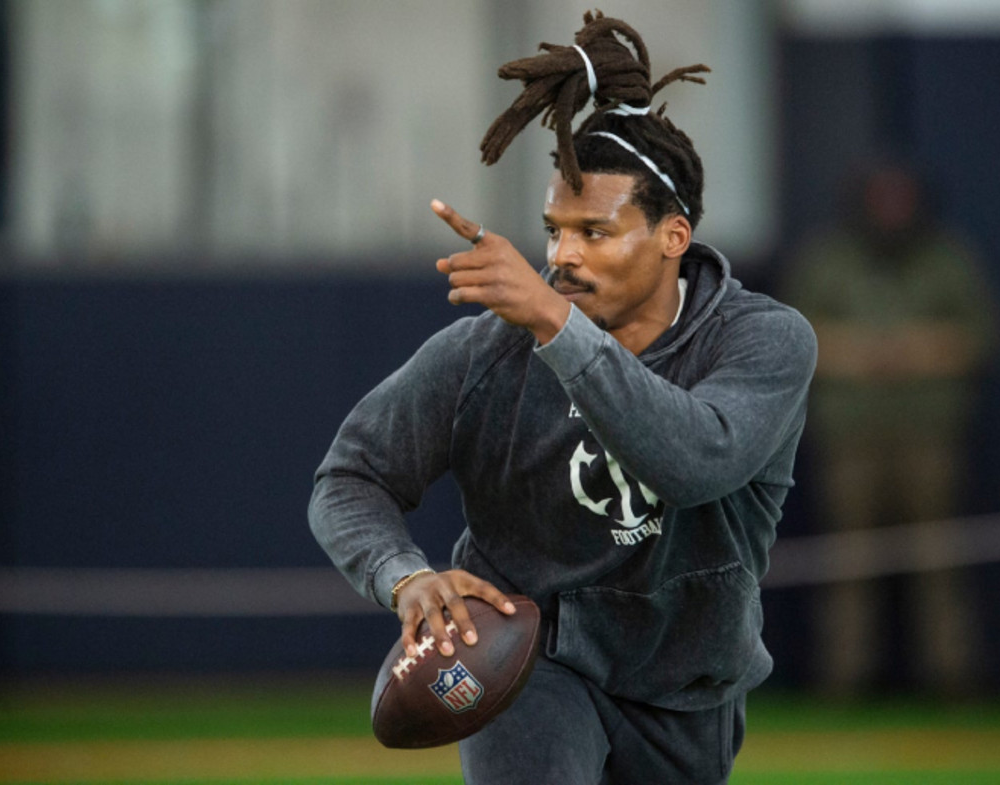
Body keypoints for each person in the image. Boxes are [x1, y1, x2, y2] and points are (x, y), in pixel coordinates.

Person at [309, 12, 816, 784]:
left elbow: (695, 460)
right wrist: (403, 574)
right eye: (553, 231)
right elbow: (350, 474)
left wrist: (555, 322)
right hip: (529, 658)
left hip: (686, 681)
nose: (563, 257)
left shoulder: (764, 341)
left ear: (673, 237)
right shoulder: (488, 350)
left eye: (595, 232)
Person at [781, 160, 997, 698]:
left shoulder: (948, 260)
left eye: (902, 198)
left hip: (929, 437)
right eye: (881, 198)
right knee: (849, 564)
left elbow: (983, 338)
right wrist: (859, 353)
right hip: (849, 439)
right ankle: (842, 682)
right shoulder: (829, 260)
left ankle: (954, 680)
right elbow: (788, 339)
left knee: (938, 560)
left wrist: (915, 349)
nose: (891, 210)